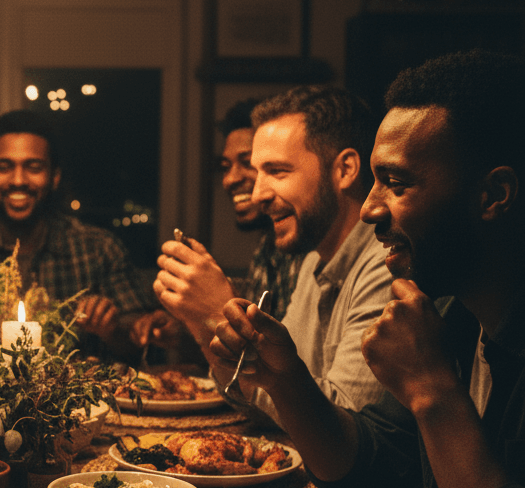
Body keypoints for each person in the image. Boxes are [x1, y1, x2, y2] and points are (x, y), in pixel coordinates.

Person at [210, 51, 525, 488]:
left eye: (398, 183)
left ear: (493, 196)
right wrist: (284, 377)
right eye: (376, 180)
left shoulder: (439, 330)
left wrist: (432, 391)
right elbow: (364, 469)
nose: (372, 207)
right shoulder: (455, 316)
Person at [160, 85, 389, 425]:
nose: (258, 194)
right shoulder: (314, 260)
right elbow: (267, 401)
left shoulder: (384, 264)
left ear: (345, 170)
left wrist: (220, 315)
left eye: (278, 171)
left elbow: (346, 427)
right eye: (259, 172)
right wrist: (201, 324)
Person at [0, 109, 154, 355]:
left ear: (54, 177)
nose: (18, 180)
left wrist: (113, 329)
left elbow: (144, 339)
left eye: (33, 167)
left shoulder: (99, 249)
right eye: (4, 166)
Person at [135, 97, 304, 355]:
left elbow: (291, 365)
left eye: (247, 163)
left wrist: (216, 309)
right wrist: (188, 325)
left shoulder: (309, 245)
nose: (229, 180)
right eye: (225, 167)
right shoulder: (267, 246)